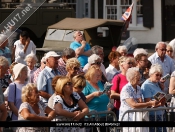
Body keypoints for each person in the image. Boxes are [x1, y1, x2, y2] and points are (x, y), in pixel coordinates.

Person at [141, 64, 166, 132]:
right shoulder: (146, 85)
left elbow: (160, 96)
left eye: (160, 75)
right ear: (151, 74)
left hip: (161, 114)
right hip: (152, 116)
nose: (159, 77)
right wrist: (160, 103)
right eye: (157, 75)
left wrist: (162, 89)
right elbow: (148, 103)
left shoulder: (157, 83)